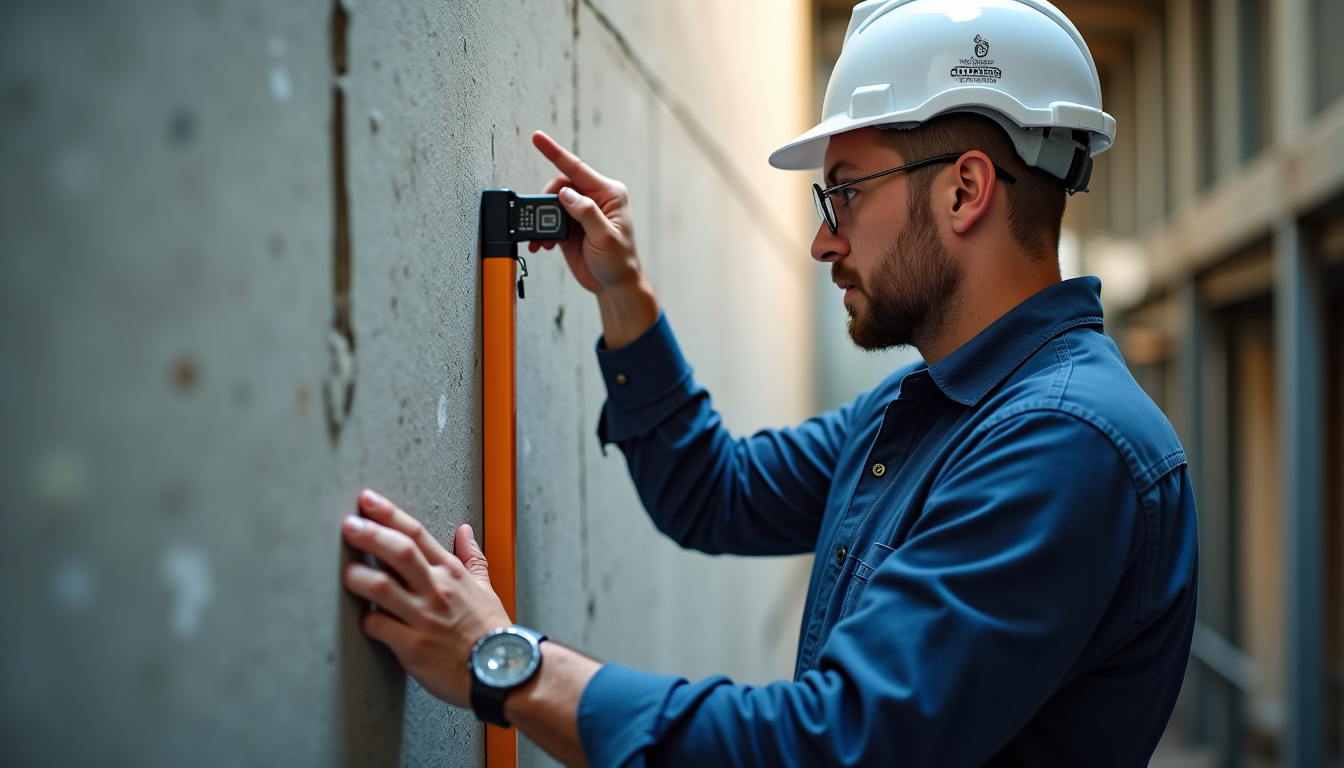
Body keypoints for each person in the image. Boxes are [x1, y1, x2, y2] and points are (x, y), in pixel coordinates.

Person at [339, 1, 1199, 765]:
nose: (824, 243)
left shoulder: (1064, 443)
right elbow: (716, 493)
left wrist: (503, 660)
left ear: (966, 190)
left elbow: (827, 746)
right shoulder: (934, 409)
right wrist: (624, 295)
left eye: (844, 196)